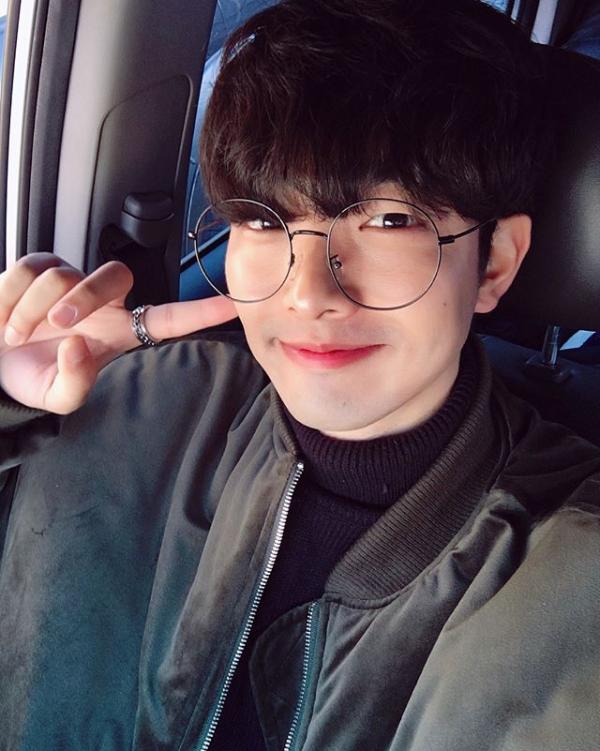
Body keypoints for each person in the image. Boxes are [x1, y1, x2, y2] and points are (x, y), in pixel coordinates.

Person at [1, 1, 599, 749]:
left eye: (389, 220)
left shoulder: (567, 573)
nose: (308, 291)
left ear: (496, 263)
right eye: (264, 219)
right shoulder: (130, 400)